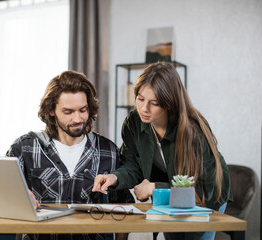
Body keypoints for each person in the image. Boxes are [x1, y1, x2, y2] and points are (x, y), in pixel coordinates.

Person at [92, 62, 232, 240]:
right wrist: (115, 177)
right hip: (170, 192)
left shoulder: (192, 130)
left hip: (208, 192)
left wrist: (154, 188)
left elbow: (200, 191)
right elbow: (132, 165)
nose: (144, 109)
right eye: (140, 99)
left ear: (169, 104)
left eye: (154, 103)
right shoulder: (134, 122)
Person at [7, 70, 133, 240]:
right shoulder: (24, 148)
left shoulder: (108, 151)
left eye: (83, 110)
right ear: (51, 110)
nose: (77, 119)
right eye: (68, 112)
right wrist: (17, 194)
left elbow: (123, 209)